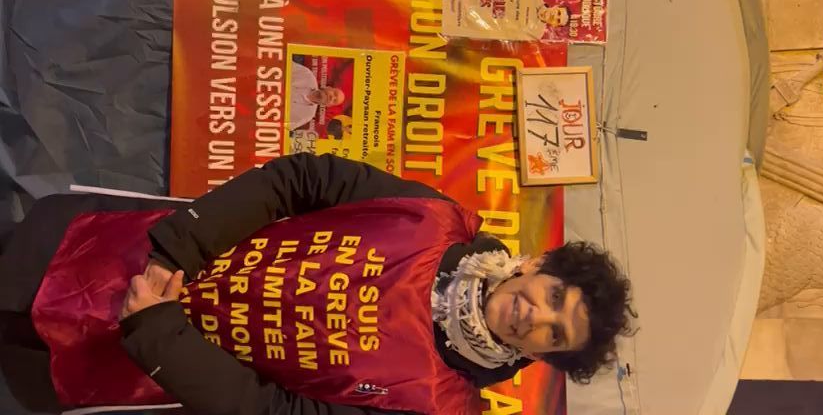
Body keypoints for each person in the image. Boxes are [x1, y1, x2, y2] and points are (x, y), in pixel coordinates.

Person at [0, 153, 634, 415]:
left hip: (115, 366)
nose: (536, 316)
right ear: (537, 266)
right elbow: (298, 181)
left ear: (544, 356)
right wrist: (177, 251)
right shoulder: (435, 219)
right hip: (105, 248)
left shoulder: (439, 406)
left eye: (555, 334)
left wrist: (159, 337)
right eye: (555, 297)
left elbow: (278, 412)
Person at [289, 62, 346, 130]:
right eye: (334, 93)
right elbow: (284, 63)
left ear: (328, 105)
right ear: (328, 87)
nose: (332, 97)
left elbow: (283, 127)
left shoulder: (307, 116)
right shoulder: (306, 74)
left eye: (334, 100)